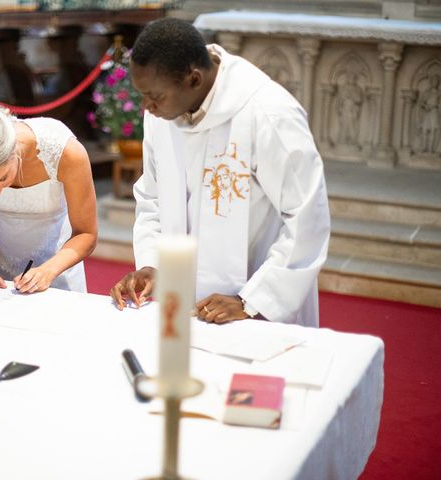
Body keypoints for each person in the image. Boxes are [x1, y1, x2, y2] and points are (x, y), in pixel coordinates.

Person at [109, 18, 330, 327]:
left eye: (155, 97)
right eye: (142, 95)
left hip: (255, 307)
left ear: (194, 79)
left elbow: (308, 218)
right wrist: (151, 264)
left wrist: (252, 301)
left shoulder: (268, 113)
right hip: (188, 304)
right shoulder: (163, 111)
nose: (147, 107)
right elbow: (152, 198)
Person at [0, 98, 97, 295]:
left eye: (2, 178)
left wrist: (48, 270)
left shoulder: (66, 152)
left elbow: (86, 234)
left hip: (56, 266)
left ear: (14, 150)